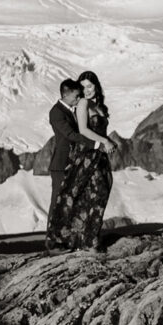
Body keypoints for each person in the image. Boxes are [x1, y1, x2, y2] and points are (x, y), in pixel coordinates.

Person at [46, 70, 116, 251]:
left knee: (90, 196)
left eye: (90, 86)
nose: (86, 90)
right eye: (83, 87)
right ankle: (60, 242)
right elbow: (81, 131)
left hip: (97, 155)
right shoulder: (82, 103)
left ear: (96, 86)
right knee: (72, 199)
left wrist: (105, 143)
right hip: (85, 155)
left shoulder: (95, 105)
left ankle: (84, 238)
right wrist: (102, 142)